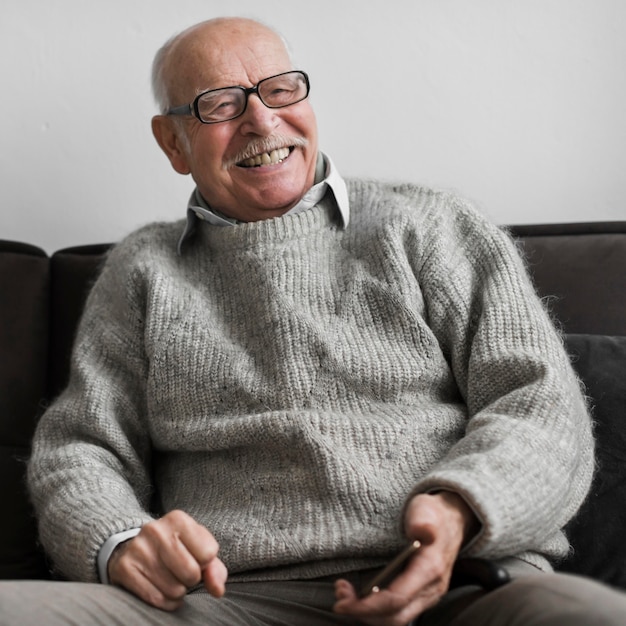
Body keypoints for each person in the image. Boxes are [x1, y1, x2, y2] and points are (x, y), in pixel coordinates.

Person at [1, 16, 625, 626]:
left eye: (279, 90)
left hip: (458, 585)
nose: (262, 120)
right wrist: (120, 540)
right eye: (221, 104)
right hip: (224, 603)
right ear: (172, 142)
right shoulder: (143, 270)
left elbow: (541, 404)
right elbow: (81, 448)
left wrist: (462, 506)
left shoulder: (430, 225)